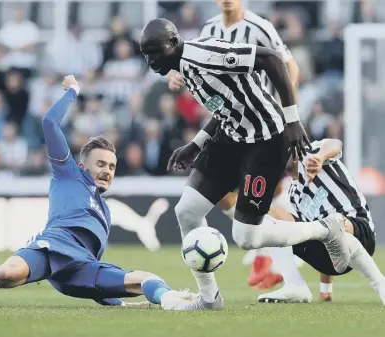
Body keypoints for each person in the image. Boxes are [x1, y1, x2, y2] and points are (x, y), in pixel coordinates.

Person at [140, 18, 352, 310]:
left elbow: (272, 58)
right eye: (146, 54)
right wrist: (197, 144)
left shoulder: (205, 55)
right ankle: (208, 299)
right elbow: (225, 105)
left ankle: (326, 229)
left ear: (174, 43)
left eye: (155, 51)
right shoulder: (184, 67)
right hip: (231, 139)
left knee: (247, 236)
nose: (151, 61)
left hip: (266, 140)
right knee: (187, 212)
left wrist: (292, 119)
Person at [0, 75, 194, 310]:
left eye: (112, 166)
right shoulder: (68, 172)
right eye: (101, 164)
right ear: (83, 165)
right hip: (53, 248)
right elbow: (49, 122)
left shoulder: (104, 211)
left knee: (147, 278)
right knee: (6, 275)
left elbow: (97, 269)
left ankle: (171, 300)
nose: (107, 171)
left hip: (81, 269)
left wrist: (118, 304)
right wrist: (73, 91)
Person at [168, 0, 302, 287]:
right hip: (229, 125)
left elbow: (289, 67)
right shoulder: (208, 28)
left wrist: (285, 114)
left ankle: (284, 257)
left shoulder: (260, 27)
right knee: (227, 199)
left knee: (269, 200)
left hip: (266, 127)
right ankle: (266, 252)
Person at [257, 139, 385, 304]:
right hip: (330, 258)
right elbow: (319, 230)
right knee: (268, 215)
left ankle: (380, 283)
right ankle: (294, 285)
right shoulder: (294, 195)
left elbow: (335, 144)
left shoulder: (312, 152)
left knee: (334, 224)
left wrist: (320, 157)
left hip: (359, 230)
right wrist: (326, 290)